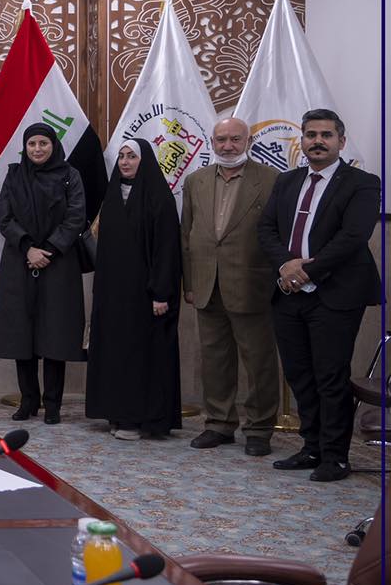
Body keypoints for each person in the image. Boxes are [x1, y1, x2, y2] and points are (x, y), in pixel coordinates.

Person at [257, 108, 380, 482]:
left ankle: (335, 456)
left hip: (335, 294)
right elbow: (266, 229)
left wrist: (305, 271)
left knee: (330, 376)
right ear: (303, 141)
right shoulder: (287, 180)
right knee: (300, 374)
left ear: (341, 141)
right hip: (288, 293)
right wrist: (286, 266)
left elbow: (353, 237)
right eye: (311, 135)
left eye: (326, 135)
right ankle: (311, 447)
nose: (318, 141)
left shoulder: (362, 182)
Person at [180, 116, 279, 456]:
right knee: (215, 359)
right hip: (207, 284)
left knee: (259, 361)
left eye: (235, 139)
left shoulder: (272, 180)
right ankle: (219, 424)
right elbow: (187, 235)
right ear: (212, 143)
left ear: (249, 142)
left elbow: (278, 235)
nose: (228, 146)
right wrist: (189, 283)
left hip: (252, 284)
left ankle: (259, 429)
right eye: (221, 139)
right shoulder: (195, 181)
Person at [0, 124, 86, 425]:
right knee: (22, 335)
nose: (37, 149)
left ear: (53, 145)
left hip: (59, 264)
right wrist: (29, 248)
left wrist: (49, 250)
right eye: (32, 144)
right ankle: (28, 400)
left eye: (43, 143)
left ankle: (53, 404)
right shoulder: (15, 174)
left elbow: (76, 216)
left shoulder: (70, 175)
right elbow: (5, 217)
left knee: (55, 335)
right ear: (25, 147)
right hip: (20, 260)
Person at [86, 139, 182, 441]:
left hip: (146, 295)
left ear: (145, 161)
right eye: (122, 157)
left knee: (142, 356)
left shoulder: (159, 199)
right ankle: (117, 413)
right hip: (113, 296)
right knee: (115, 354)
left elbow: (167, 251)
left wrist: (161, 293)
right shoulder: (112, 196)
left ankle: (141, 419)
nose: (125, 162)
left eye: (132, 157)